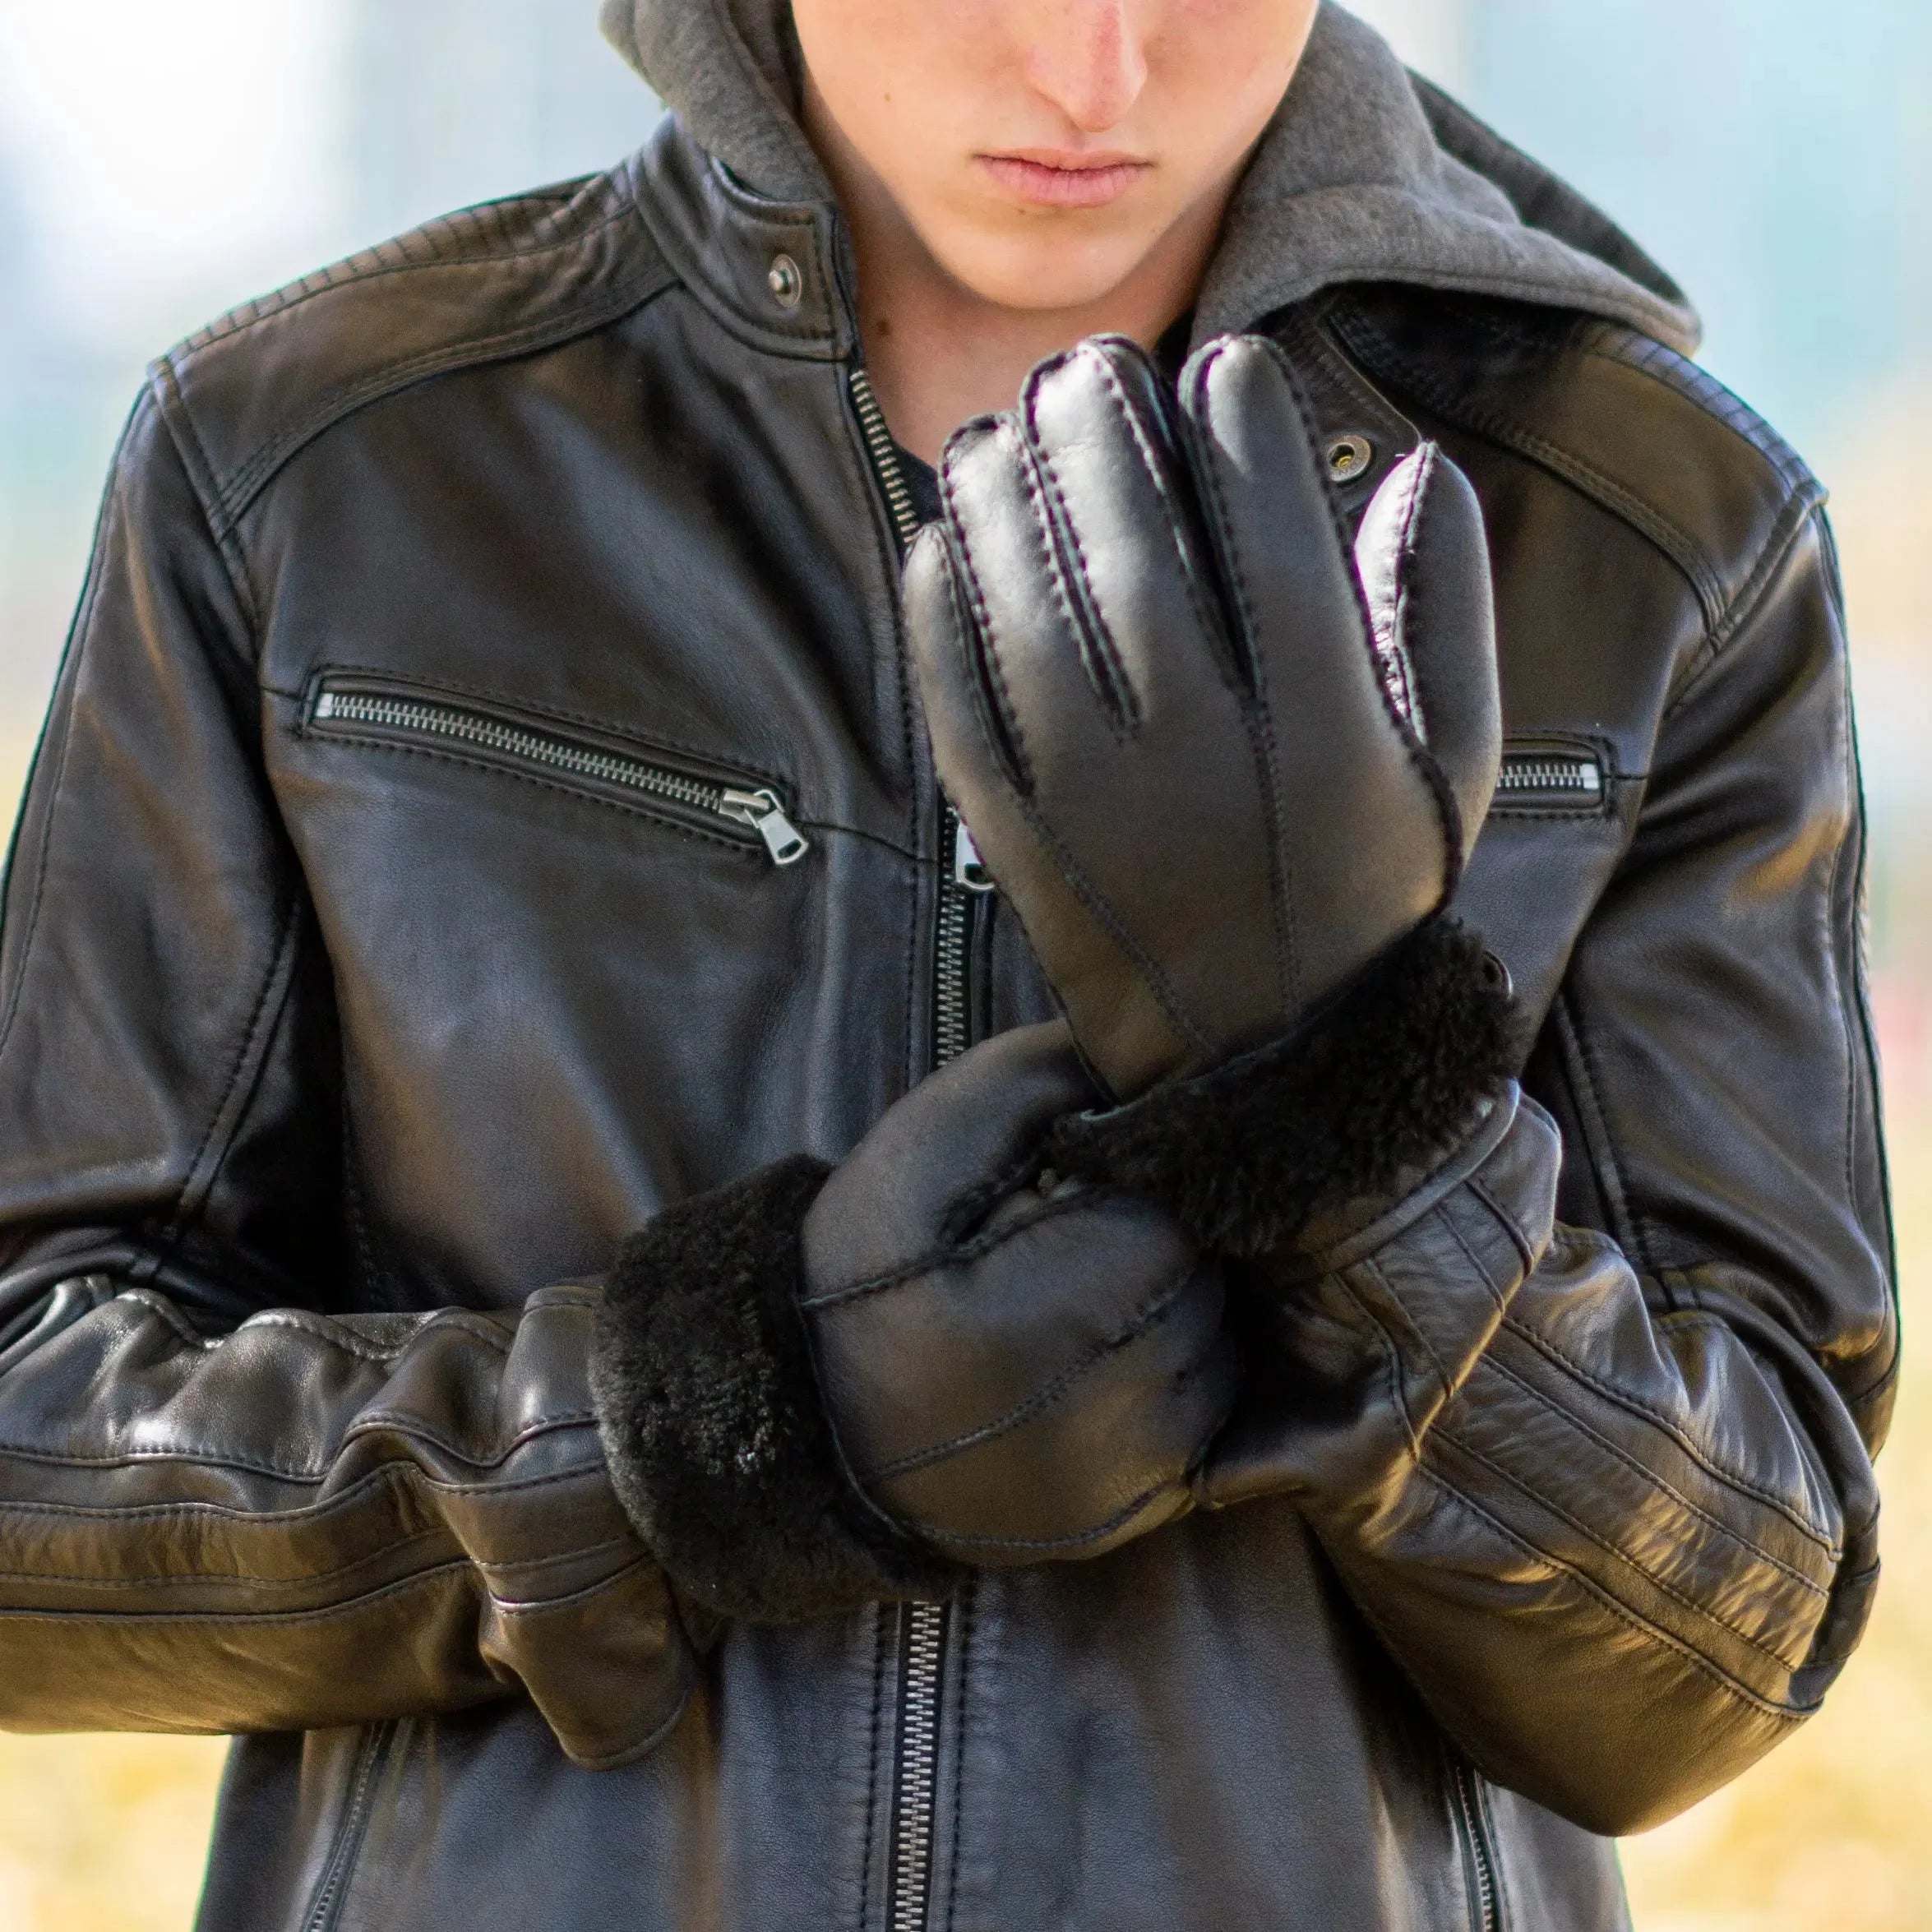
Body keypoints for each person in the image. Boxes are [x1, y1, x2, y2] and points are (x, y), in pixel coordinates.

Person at [0, 0, 1892, 1926]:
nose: (1089, 71)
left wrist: (1343, 1115)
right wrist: (716, 1427)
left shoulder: (1649, 535)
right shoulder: (310, 463)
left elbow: (1715, 1647)